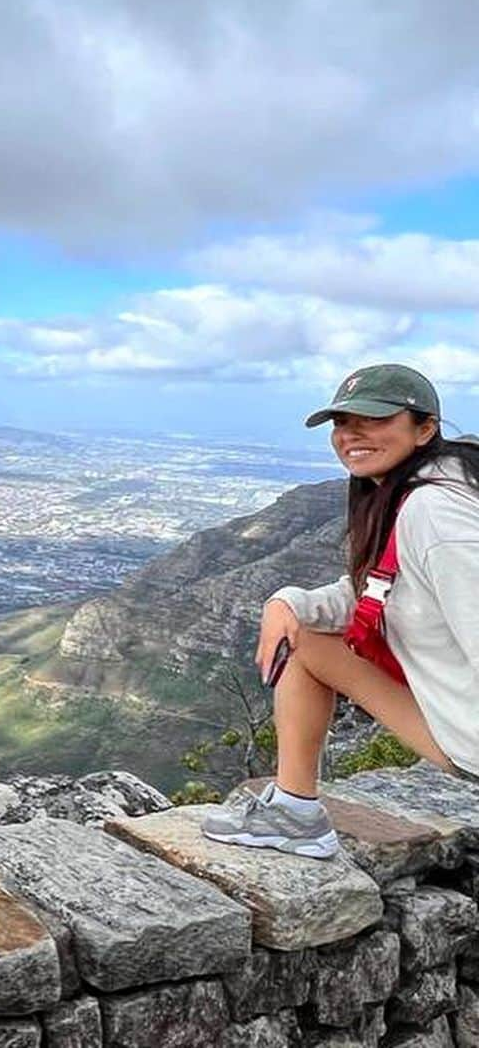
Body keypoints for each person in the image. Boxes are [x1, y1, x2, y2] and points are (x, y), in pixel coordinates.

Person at [202, 363, 479, 859]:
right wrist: (289, 600)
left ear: (426, 428)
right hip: (462, 716)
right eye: (342, 421)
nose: (351, 434)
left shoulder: (435, 512)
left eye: (373, 420)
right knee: (302, 628)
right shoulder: (422, 492)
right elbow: (380, 588)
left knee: (304, 646)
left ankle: (294, 815)